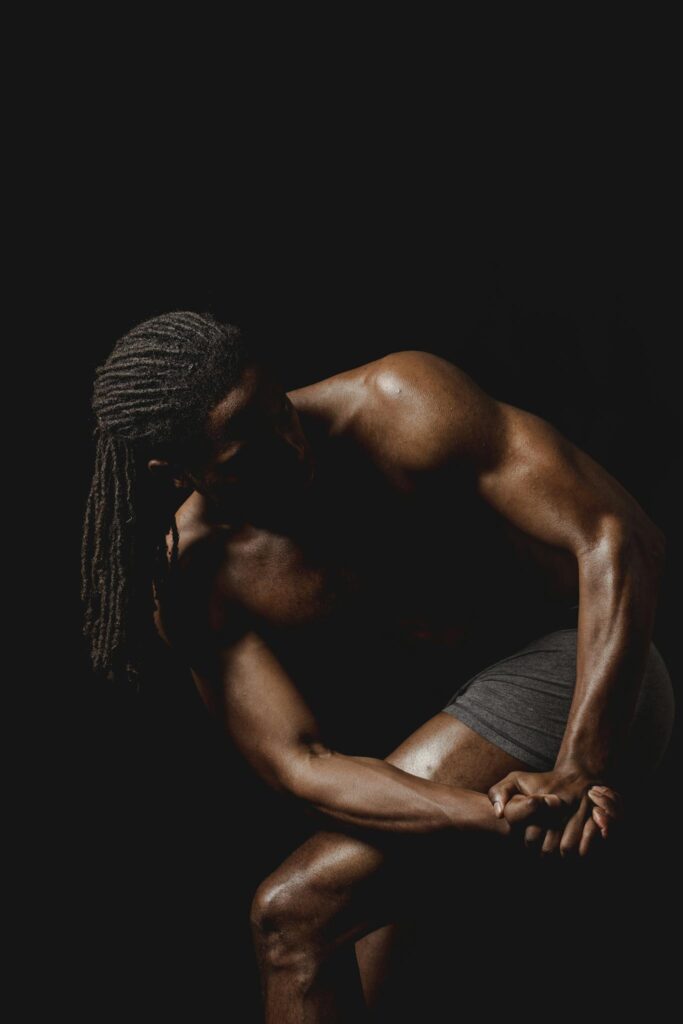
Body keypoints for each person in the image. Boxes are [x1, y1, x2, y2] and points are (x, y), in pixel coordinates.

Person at [81, 310, 675, 1022]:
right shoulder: (196, 576)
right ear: (174, 472)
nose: (289, 447)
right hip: (457, 747)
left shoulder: (400, 403)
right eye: (246, 460)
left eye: (280, 413)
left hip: (580, 669)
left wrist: (577, 767)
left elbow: (614, 535)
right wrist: (487, 817)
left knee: (290, 915)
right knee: (363, 979)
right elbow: (300, 764)